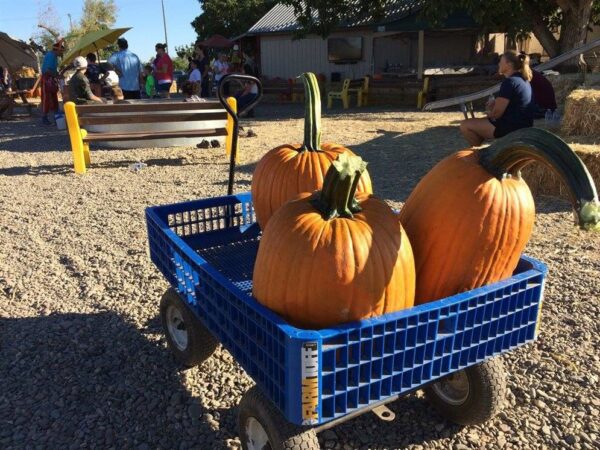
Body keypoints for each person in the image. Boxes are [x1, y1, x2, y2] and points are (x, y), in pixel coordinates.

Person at [460, 50, 534, 146]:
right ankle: (484, 150)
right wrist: (494, 106)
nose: (499, 64)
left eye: (501, 61)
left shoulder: (510, 82)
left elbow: (496, 113)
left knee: (465, 125)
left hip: (510, 128)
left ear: (509, 64)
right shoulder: (522, 80)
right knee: (478, 125)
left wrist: (488, 114)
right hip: (523, 125)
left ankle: (479, 155)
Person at [40, 40, 64, 125]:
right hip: (46, 79)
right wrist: (57, 76)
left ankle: (57, 116)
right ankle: (44, 117)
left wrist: (58, 74)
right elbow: (48, 70)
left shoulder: (54, 57)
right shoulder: (51, 55)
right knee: (46, 98)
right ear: (57, 50)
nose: (62, 54)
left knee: (54, 97)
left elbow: (53, 70)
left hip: (51, 79)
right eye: (61, 51)